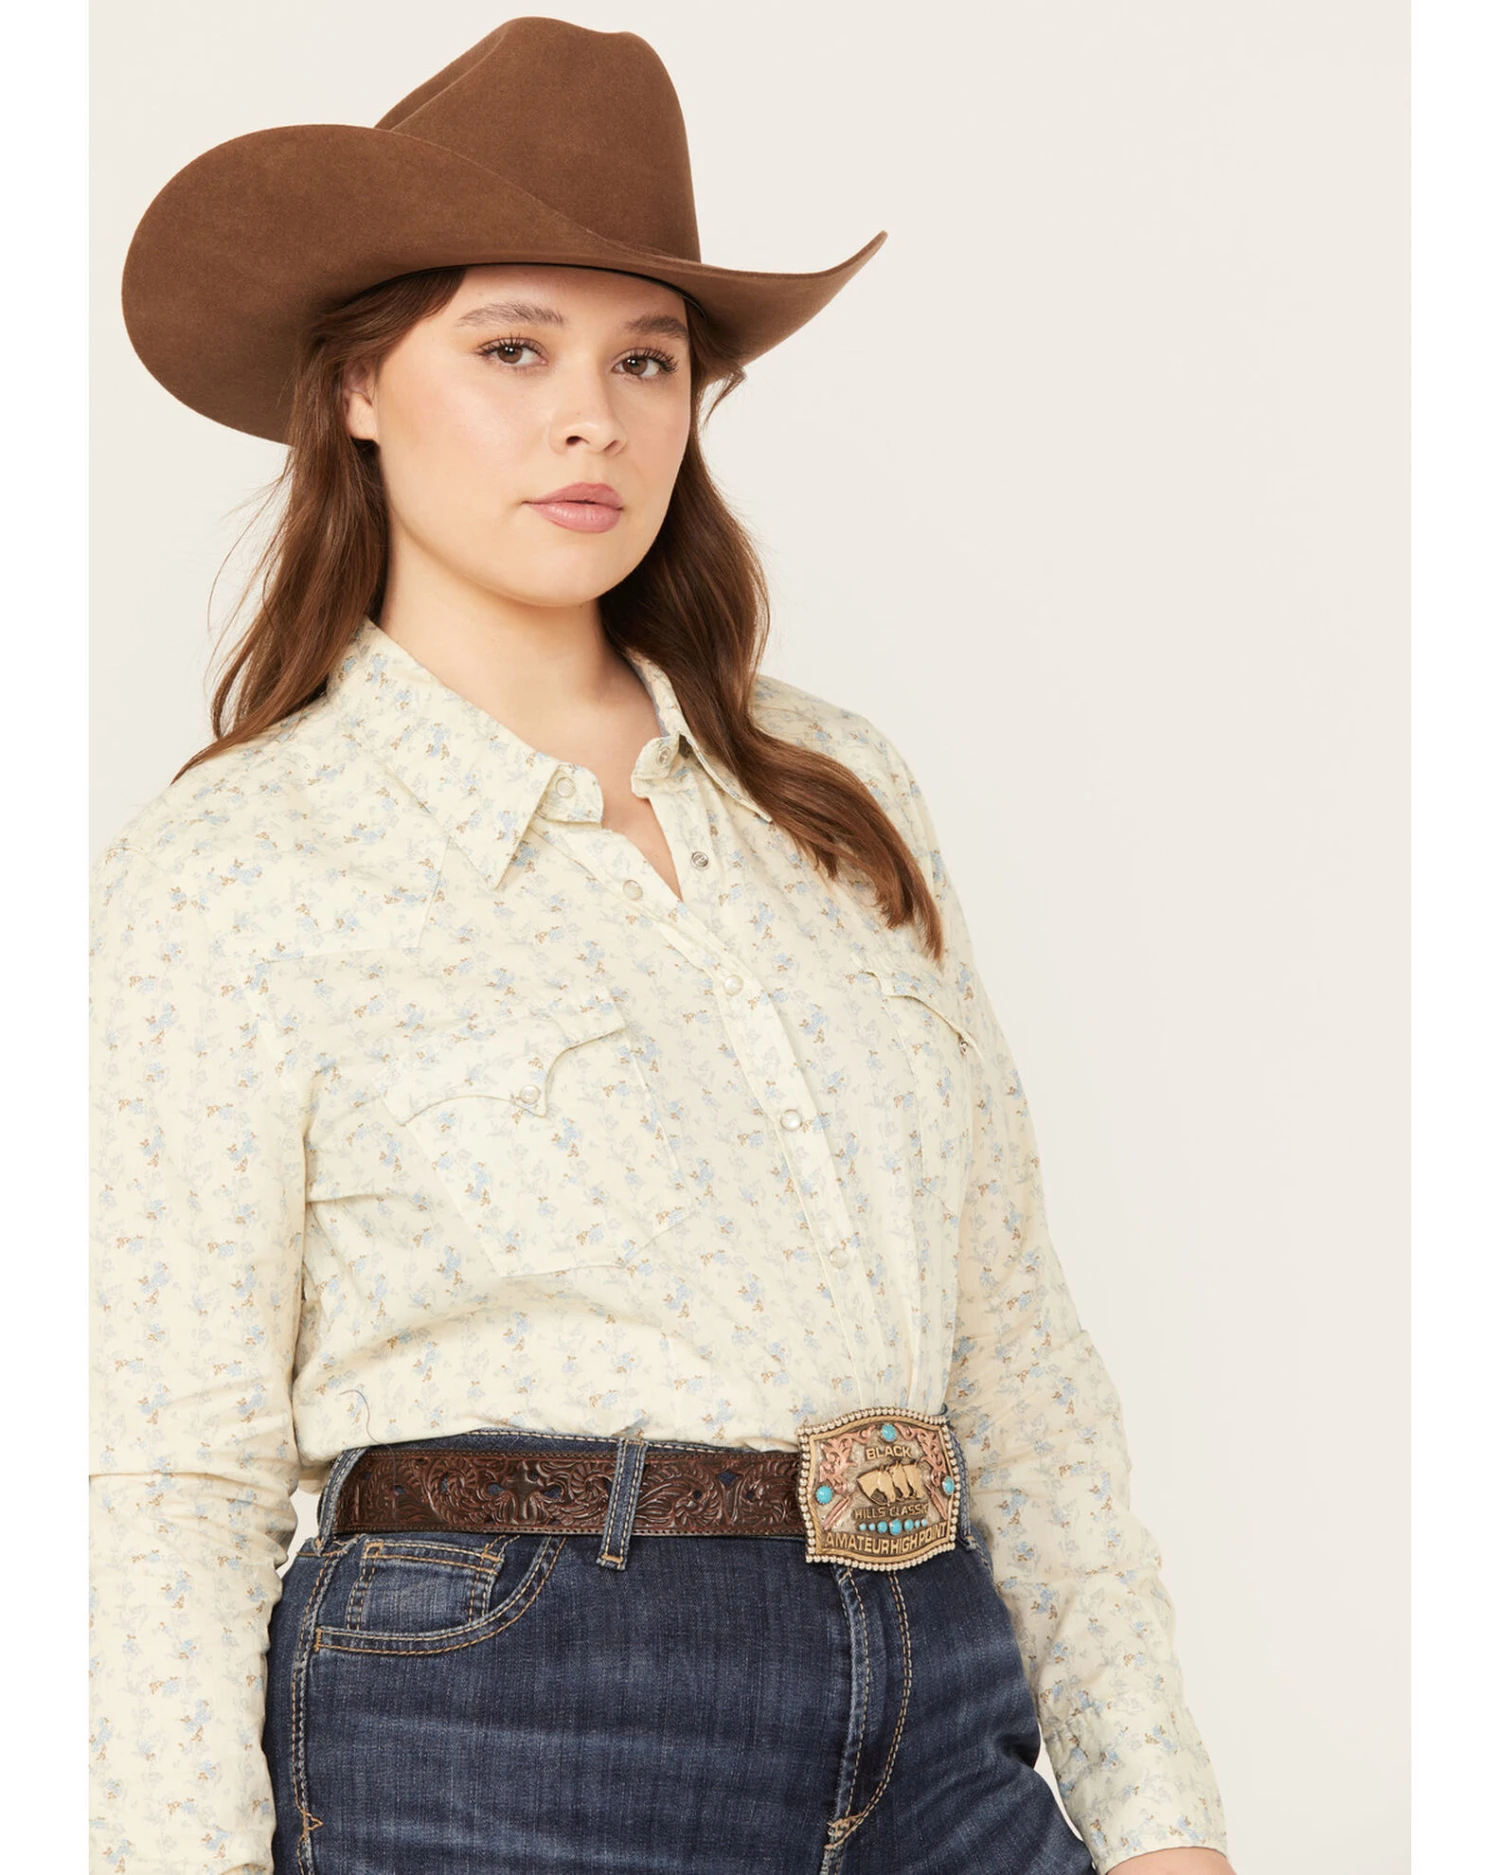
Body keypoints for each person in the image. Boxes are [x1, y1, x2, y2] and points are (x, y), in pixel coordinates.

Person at [90, 18, 1237, 1875]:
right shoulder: (233, 869)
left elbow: (1018, 1351)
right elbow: (168, 1471)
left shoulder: (836, 795)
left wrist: (1159, 1809)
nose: (594, 418)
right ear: (360, 383)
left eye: (648, 357)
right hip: (500, 1725)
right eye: (513, 347)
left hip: (940, 1699)